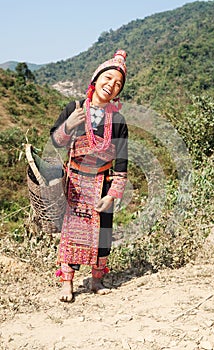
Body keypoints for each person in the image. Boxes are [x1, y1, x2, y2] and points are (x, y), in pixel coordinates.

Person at [50, 50, 128, 302]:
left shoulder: (118, 120)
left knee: (103, 233)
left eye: (117, 84)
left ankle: (97, 280)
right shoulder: (74, 108)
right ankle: (67, 283)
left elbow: (122, 163)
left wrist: (113, 194)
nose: (111, 86)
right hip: (75, 182)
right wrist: (69, 124)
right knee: (71, 232)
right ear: (96, 79)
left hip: (102, 184)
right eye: (108, 79)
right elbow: (56, 141)